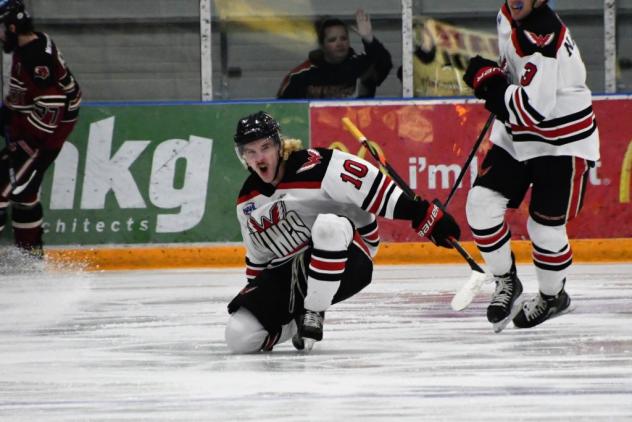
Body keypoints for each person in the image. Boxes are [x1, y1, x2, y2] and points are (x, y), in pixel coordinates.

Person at [225, 111, 461, 353]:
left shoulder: (317, 165)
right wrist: (260, 300)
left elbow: (375, 190)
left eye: (265, 147)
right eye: (251, 152)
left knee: (328, 226)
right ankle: (293, 325)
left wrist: (421, 213)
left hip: (349, 255)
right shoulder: (247, 202)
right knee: (238, 336)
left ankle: (314, 311)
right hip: (293, 269)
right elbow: (258, 257)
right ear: (243, 156)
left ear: (278, 145)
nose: (260, 158)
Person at [462, 0, 600, 329]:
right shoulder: (507, 14)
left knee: (544, 229)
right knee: (480, 205)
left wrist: (491, 86)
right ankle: (506, 281)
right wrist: (497, 76)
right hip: (518, 136)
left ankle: (554, 297)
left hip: (562, 143)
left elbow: (531, 110)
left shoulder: (543, 40)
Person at [0, 0, 81, 258]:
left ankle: (30, 258)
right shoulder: (34, 43)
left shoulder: (35, 57)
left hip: (40, 139)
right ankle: (30, 258)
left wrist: (26, 144)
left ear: (12, 27)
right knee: (25, 193)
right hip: (35, 132)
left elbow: (53, 105)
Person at [277, 9, 392, 99]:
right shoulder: (301, 75)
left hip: (357, 128)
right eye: (332, 40)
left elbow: (385, 63)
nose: (339, 43)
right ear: (322, 45)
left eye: (343, 38)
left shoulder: (362, 66)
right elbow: (283, 108)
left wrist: (369, 38)